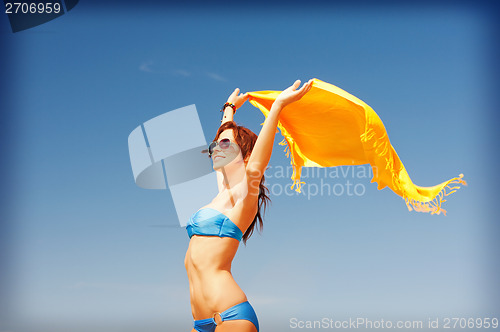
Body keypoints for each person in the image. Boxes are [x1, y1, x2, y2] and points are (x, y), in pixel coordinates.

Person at [185, 79, 313, 332]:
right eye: (214, 146)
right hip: (201, 323)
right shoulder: (221, 191)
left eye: (225, 145)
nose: (216, 150)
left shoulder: (244, 197)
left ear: (244, 155)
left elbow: (256, 166)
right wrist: (229, 108)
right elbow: (225, 135)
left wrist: (276, 107)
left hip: (230, 317)